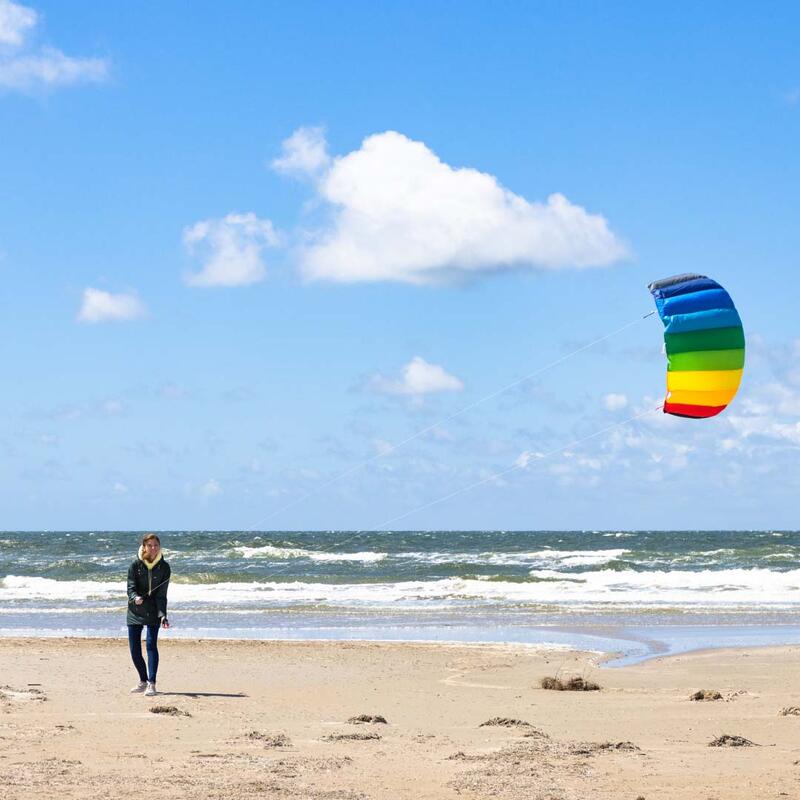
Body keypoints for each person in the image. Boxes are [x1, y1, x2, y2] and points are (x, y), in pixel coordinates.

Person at [127, 533, 171, 696]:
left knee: (151, 645)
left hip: (153, 610)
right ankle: (142, 681)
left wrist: (163, 615)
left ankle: (152, 683)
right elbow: (130, 588)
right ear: (144, 547)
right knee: (134, 650)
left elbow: (162, 595)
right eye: (150, 545)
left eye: (156, 545)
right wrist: (134, 598)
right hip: (135, 611)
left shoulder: (164, 567)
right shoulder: (135, 565)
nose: (153, 548)